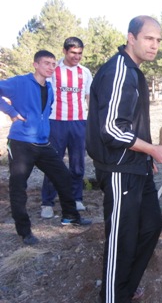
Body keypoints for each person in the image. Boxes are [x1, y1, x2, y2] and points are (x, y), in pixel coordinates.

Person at [86, 16, 162, 303]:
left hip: (136, 165)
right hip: (118, 169)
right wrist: (151, 149)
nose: (155, 45)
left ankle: (123, 290)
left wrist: (147, 154)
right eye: (149, 38)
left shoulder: (134, 71)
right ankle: (112, 297)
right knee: (121, 241)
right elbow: (111, 129)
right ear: (131, 37)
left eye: (159, 40)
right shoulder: (119, 72)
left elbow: (130, 123)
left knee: (151, 226)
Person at [0, 50, 91, 246]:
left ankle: (70, 216)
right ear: (35, 65)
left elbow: (46, 110)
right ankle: (24, 232)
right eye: (46, 63)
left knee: (64, 177)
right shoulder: (20, 82)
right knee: (18, 188)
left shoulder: (49, 87)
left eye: (53, 64)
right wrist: (12, 112)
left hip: (42, 143)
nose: (51, 67)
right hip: (21, 143)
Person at [41, 37, 93, 219]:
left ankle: (76, 198)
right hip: (57, 121)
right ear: (64, 51)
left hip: (79, 122)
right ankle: (47, 202)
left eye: (79, 53)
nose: (76, 56)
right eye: (73, 53)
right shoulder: (54, 71)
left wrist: (92, 120)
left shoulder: (85, 72)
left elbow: (88, 97)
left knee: (77, 164)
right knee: (53, 162)